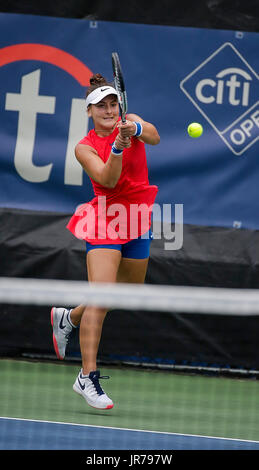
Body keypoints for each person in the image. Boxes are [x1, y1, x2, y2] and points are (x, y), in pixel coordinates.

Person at [51, 73, 160, 410]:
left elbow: (155, 137)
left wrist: (136, 131)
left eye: (113, 103)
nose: (110, 110)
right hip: (104, 220)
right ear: (89, 111)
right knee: (101, 294)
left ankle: (68, 319)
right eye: (102, 106)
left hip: (138, 218)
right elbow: (107, 180)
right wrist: (117, 148)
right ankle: (87, 376)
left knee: (125, 293)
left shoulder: (131, 121)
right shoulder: (84, 147)